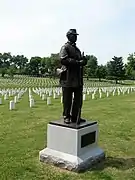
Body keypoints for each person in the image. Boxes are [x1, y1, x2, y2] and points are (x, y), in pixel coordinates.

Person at [59, 29, 87, 124]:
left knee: (78, 100)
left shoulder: (77, 49)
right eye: (74, 35)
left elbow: (80, 61)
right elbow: (63, 60)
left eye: (76, 35)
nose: (75, 37)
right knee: (67, 99)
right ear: (69, 36)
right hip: (68, 77)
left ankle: (75, 117)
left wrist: (84, 61)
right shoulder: (65, 47)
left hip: (77, 78)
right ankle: (66, 116)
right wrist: (78, 62)